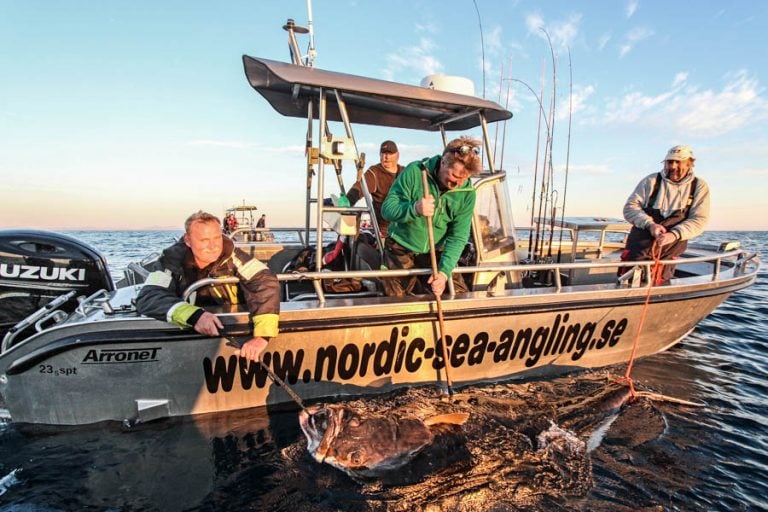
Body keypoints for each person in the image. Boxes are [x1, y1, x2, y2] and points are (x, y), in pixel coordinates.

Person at [136, 211, 280, 362]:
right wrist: (194, 316)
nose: (213, 246)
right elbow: (149, 296)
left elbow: (265, 280)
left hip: (233, 337)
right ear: (188, 240)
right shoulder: (170, 262)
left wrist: (262, 336)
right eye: (204, 240)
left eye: (217, 238)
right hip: (187, 346)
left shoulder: (233, 255)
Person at [380, 136, 482, 297]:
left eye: (465, 178)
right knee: (397, 301)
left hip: (437, 250)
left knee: (459, 297)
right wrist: (414, 209)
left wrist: (443, 273)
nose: (459, 183)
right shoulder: (415, 171)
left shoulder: (467, 193)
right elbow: (387, 209)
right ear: (443, 162)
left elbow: (458, 236)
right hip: (401, 247)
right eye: (455, 176)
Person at [622, 144, 710, 284]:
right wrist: (650, 225)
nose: (673, 167)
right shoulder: (650, 181)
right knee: (627, 280)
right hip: (639, 246)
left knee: (661, 281)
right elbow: (630, 208)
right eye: (670, 162)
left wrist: (674, 234)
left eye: (678, 162)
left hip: (670, 250)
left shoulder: (699, 186)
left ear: (689, 164)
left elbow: (699, 219)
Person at [344, 140, 404, 238]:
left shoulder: (405, 172)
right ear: (380, 155)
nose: (387, 157)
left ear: (397, 155)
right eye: (384, 153)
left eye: (390, 153)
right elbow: (359, 187)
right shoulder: (374, 173)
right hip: (384, 231)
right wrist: (347, 201)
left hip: (405, 229)